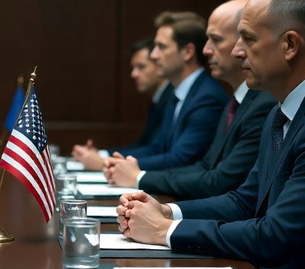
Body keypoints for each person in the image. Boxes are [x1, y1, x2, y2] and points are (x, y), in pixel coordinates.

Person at [118, 0, 305, 269]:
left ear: (290, 45)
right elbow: (244, 202)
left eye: (248, 38)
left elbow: (277, 236)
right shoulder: (282, 109)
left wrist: (164, 231)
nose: (237, 51)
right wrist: (167, 211)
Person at [105, 0, 276, 199]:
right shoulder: (233, 101)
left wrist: (139, 178)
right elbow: (204, 166)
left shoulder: (220, 98)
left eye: (216, 40)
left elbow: (215, 179)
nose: (206, 50)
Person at [80, 12, 227, 171]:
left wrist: (107, 163)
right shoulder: (178, 94)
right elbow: (156, 148)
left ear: (187, 52)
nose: (154, 55)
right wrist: (107, 158)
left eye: (161, 47)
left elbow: (181, 159)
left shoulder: (207, 97)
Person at [71, 37, 174, 167]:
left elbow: (156, 150)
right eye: (133, 67)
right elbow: (143, 144)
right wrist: (102, 154)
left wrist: (104, 161)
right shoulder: (159, 99)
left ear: (159, 65)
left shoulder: (172, 98)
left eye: (141, 67)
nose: (134, 74)